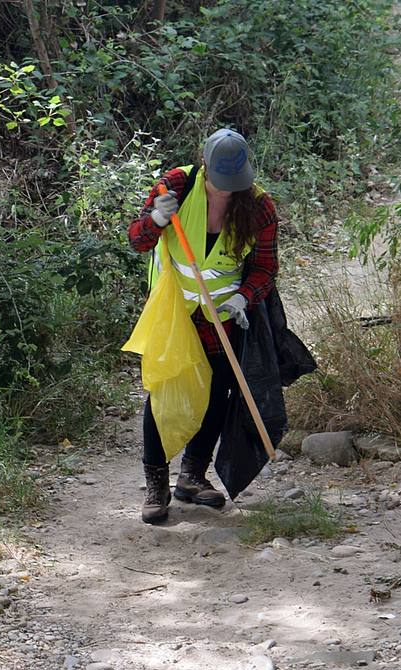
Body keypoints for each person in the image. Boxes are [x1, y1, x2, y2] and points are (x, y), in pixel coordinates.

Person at [129, 127, 278, 524]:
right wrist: (157, 219)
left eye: (235, 185)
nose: (227, 193)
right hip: (175, 306)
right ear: (204, 165)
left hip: (223, 313)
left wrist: (245, 295)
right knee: (166, 387)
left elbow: (265, 267)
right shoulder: (175, 186)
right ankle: (156, 483)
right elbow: (138, 240)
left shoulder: (260, 207)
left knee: (218, 390)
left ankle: (192, 476)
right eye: (220, 184)